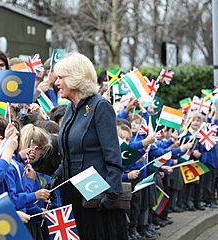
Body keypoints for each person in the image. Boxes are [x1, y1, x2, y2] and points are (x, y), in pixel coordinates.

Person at [50, 53, 127, 240]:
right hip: (72, 195)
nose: (56, 83)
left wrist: (112, 194)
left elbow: (113, 155)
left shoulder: (100, 106)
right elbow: (69, 152)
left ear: (76, 78)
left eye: (61, 78)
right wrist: (55, 178)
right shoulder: (70, 109)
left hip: (96, 196)